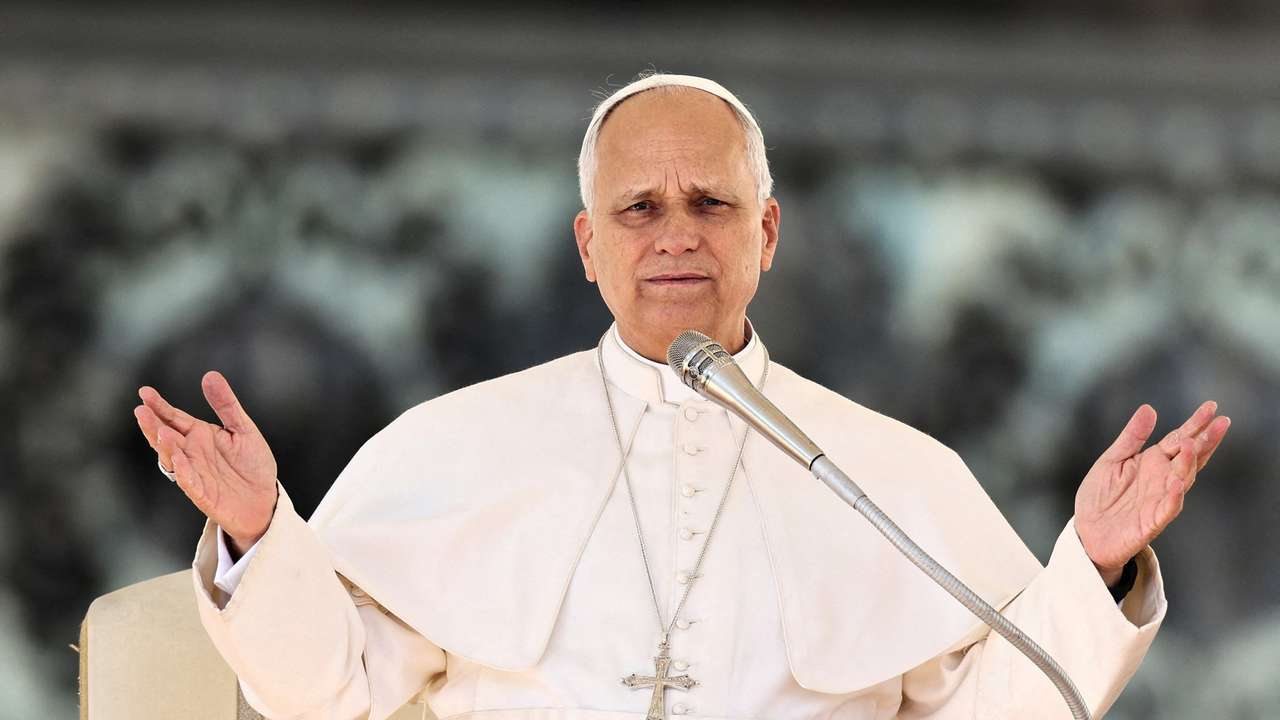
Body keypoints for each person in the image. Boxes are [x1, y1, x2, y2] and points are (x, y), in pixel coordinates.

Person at [133, 73, 1230, 720]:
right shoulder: (455, 446)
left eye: (709, 203)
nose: (673, 236)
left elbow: (1005, 707)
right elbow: (332, 692)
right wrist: (255, 534)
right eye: (637, 208)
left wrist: (1088, 568)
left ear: (764, 234)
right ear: (586, 246)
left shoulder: (889, 470)